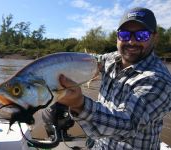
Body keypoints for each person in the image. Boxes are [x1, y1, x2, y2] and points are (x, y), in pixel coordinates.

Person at [43, 7, 171, 149]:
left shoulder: (159, 80)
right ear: (117, 37)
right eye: (124, 34)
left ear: (155, 37)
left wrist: (79, 103)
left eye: (142, 35)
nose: (131, 42)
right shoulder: (112, 59)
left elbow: (128, 123)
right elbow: (94, 60)